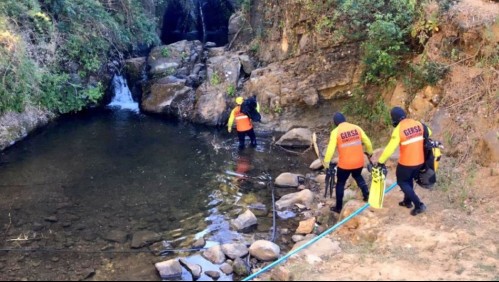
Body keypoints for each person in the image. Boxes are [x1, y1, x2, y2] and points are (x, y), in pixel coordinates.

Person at [375, 106, 430, 216]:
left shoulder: (398, 129)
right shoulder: (418, 124)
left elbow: (390, 149)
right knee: (408, 180)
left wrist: (381, 162)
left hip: (407, 163)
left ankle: (419, 205)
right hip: (420, 161)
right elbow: (429, 132)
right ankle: (407, 201)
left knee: (402, 181)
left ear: (394, 119)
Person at [324, 112, 373, 213]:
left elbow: (330, 149)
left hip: (345, 164)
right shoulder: (356, 128)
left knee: (340, 183)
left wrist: (326, 163)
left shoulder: (335, 132)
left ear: (335, 123)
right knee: (358, 176)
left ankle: (338, 207)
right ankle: (367, 195)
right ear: (345, 119)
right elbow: (367, 141)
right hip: (359, 162)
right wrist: (370, 152)